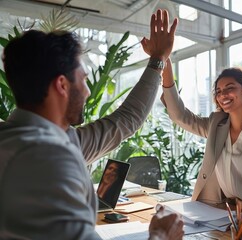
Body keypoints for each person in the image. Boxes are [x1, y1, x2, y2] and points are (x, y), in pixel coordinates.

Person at [0, 9, 184, 240]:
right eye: (84, 79)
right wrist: (159, 235)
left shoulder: (51, 139)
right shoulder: (47, 160)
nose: (87, 91)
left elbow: (126, 119)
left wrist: (158, 60)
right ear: (62, 85)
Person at [157, 58, 242, 239]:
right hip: (227, 214)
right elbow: (181, 116)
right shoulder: (216, 124)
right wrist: (165, 64)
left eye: (230, 88)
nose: (223, 94)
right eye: (219, 91)